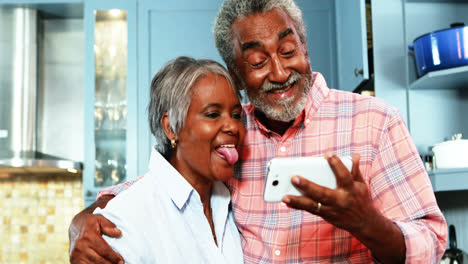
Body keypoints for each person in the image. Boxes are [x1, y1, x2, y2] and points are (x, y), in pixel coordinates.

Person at [69, 0, 448, 263]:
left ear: (304, 46)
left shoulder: (375, 122)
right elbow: (167, 183)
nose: (280, 73)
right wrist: (85, 219)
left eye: (287, 51)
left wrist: (369, 224)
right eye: (257, 61)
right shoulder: (233, 132)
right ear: (236, 75)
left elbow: (431, 243)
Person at [85, 56, 246, 263]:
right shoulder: (124, 219)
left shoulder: (231, 203)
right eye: (213, 114)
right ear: (171, 127)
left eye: (235, 115)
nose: (233, 126)